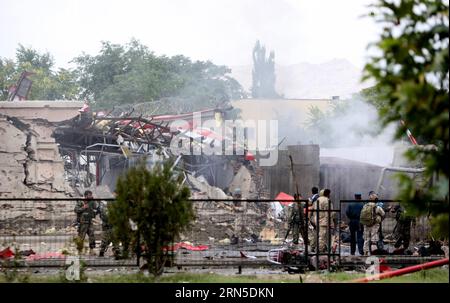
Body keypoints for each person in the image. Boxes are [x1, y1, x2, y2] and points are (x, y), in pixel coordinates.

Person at [360, 191, 385, 256]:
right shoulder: (377, 207)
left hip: (366, 225)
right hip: (374, 225)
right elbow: (383, 213)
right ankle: (373, 254)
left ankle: (366, 253)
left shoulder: (365, 206)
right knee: (374, 240)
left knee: (366, 240)